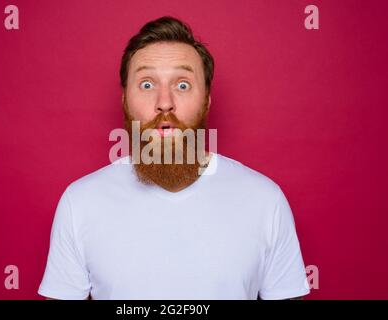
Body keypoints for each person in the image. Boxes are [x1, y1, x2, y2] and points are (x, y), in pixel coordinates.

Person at [38, 16, 310, 300]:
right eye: (146, 84)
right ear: (124, 100)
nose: (164, 102)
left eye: (182, 85)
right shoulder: (80, 203)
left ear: (206, 99)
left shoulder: (265, 200)